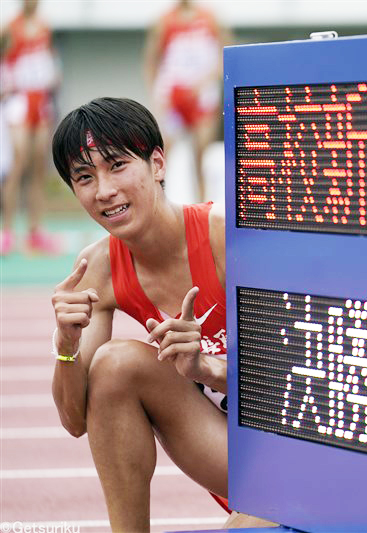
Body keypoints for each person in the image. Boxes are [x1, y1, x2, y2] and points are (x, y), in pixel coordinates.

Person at [49, 97, 274, 531]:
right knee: (115, 365)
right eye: (84, 177)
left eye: (117, 165)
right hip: (227, 453)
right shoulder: (97, 268)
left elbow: (308, 384)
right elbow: (76, 420)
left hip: (304, 450)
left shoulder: (226, 238)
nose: (104, 190)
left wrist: (209, 368)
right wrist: (66, 346)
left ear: (157, 163)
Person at [143, 0, 231, 203]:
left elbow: (223, 54)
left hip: (201, 96)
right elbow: (151, 60)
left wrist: (207, 81)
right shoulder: (164, 21)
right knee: (164, 154)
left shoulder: (210, 17)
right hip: (174, 94)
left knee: (201, 153)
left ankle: (203, 205)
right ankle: (158, 204)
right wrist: (157, 95)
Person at [0, 0, 60, 255]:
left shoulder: (45, 28)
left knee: (38, 167)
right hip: (18, 100)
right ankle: (7, 231)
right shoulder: (9, 29)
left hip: (40, 100)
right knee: (17, 165)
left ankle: (35, 231)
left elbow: (50, 60)